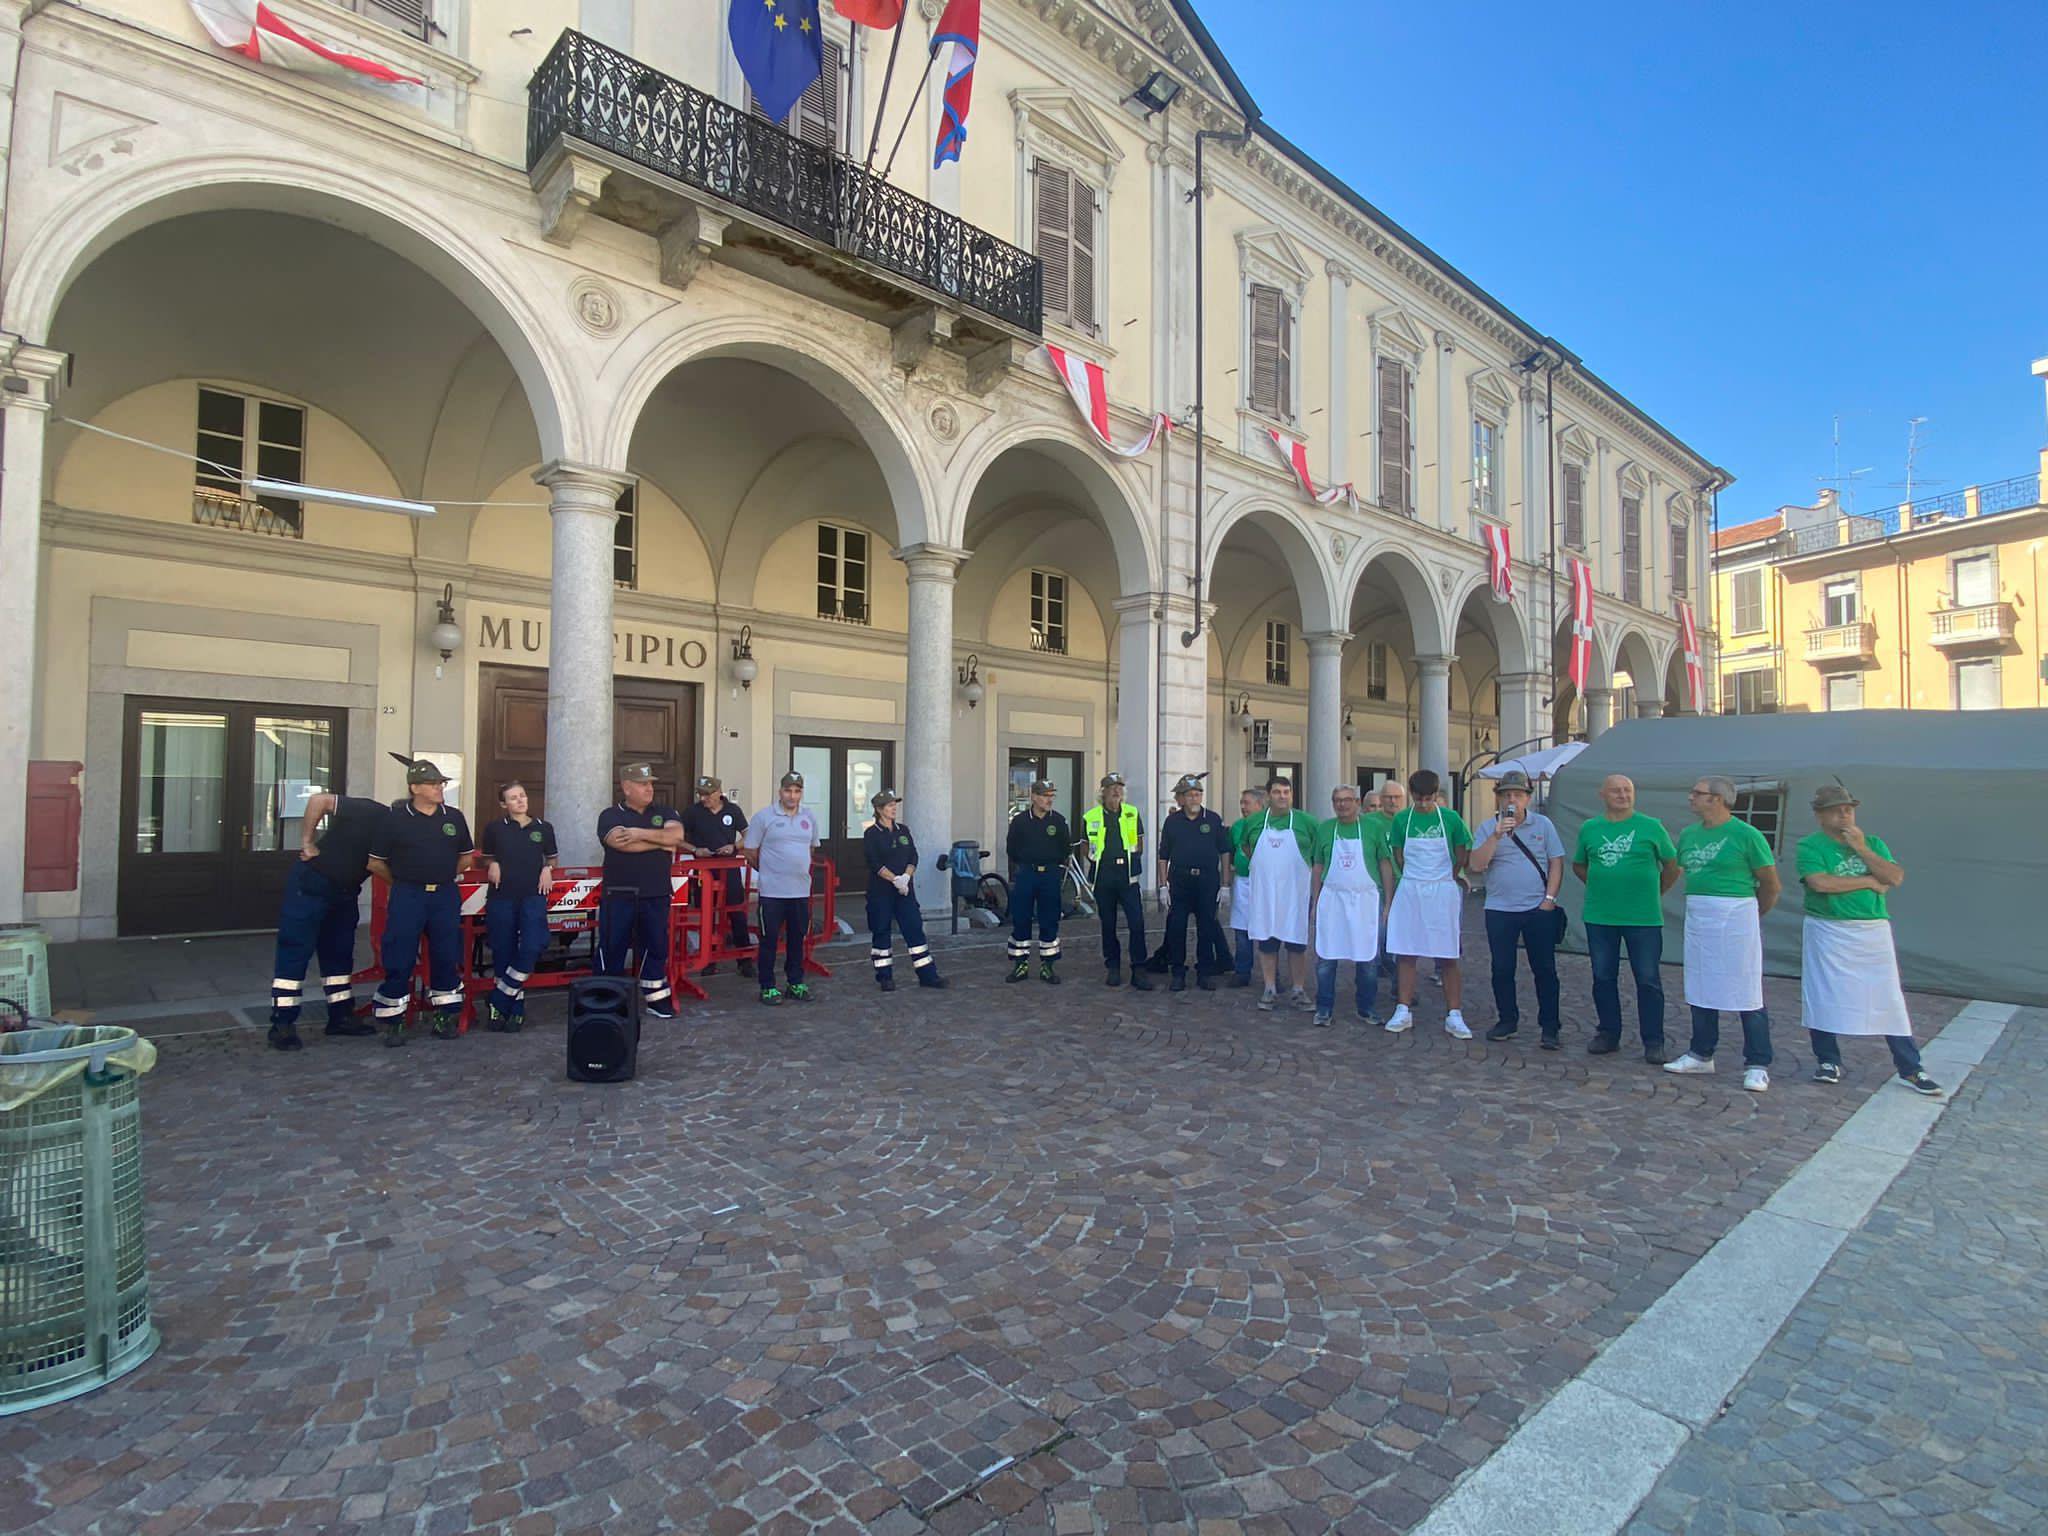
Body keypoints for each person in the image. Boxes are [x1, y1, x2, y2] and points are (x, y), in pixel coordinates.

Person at [1796, 784, 1942, 1096]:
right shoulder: (1811, 846)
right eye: (1836, 809)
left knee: (1887, 996)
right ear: (1820, 815)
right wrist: (1867, 881)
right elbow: (1820, 883)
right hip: (1829, 927)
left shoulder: (1873, 843)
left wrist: (1862, 849)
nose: (1845, 813)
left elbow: (1894, 877)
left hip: (1872, 929)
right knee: (1823, 991)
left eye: (1848, 808)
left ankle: (1910, 1067)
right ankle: (1828, 1060)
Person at [1663, 775, 1779, 1090]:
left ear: (1716, 799)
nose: (1691, 798)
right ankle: (1701, 1053)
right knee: (1701, 982)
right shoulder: (1688, 835)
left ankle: (1757, 1061)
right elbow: (1678, 870)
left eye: (1697, 793)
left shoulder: (1746, 835)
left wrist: (1753, 914)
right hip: (1701, 916)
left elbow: (1769, 882)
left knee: (1745, 986)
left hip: (1736, 914)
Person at [266, 789, 385, 1051]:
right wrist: (307, 842)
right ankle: (282, 1024)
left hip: (345, 892)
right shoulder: (370, 810)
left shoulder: (398, 835)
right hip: (313, 883)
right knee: (295, 952)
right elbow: (319, 800)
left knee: (339, 956)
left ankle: (340, 1016)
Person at [1571, 773, 1678, 1059]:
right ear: (1602, 795)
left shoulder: (1651, 827)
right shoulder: (1590, 828)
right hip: (1600, 916)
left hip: (1643, 918)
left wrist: (1654, 892)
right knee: (1603, 977)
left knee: (1648, 979)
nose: (1623, 795)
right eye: (1616, 791)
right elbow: (1579, 865)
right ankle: (1608, 1033)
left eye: (1628, 790)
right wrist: (1604, 886)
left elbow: (1672, 865)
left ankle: (1654, 1041)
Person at [367, 759, 474, 1045]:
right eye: (433, 784)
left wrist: (441, 875)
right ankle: (394, 1021)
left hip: (443, 894)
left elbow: (465, 857)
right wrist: (402, 882)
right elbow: (375, 863)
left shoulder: (454, 817)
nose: (440, 788)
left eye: (441, 783)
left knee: (445, 954)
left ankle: (445, 1016)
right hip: (408, 895)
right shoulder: (395, 819)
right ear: (415, 787)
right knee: (399, 955)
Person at [1468, 770, 1565, 1049]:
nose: (1512, 799)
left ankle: (1550, 1026)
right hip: (1500, 909)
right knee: (1501, 968)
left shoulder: (1543, 825)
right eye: (1507, 795)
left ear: (1528, 798)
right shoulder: (1488, 827)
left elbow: (1556, 862)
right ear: (1498, 798)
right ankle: (1507, 1019)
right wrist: (1496, 836)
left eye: (1518, 795)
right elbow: (1476, 865)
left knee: (1544, 968)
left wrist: (1549, 898)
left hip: (1537, 907)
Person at [1384, 768, 1472, 1037]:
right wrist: (1415, 878)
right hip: (1411, 888)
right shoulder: (1402, 820)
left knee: (1447, 955)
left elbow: (1462, 853)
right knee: (1406, 952)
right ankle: (1403, 1009)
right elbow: (1398, 856)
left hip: (1442, 889)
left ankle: (1454, 1014)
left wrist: (1449, 876)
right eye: (1419, 798)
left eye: (1428, 798)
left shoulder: (1451, 819)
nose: (1423, 803)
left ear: (1436, 795)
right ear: (1412, 795)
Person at [597, 764, 683, 1020]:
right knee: (613, 947)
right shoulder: (610, 815)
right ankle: (608, 999)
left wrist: (638, 834)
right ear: (626, 787)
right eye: (643, 784)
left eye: (650, 783)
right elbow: (619, 844)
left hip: (655, 892)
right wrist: (659, 842)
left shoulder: (664, 810)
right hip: (619, 893)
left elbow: (676, 836)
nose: (650, 788)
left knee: (655, 946)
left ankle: (655, 998)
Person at [478, 781, 558, 1033]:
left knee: (535, 943)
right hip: (502, 896)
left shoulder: (543, 828)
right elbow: (486, 856)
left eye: (522, 795)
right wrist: (491, 864)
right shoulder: (494, 828)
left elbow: (552, 857)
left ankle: (500, 998)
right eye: (513, 798)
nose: (520, 801)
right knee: (503, 950)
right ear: (504, 804)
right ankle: (512, 1010)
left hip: (533, 896)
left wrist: (548, 868)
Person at [1309, 784, 1390, 1028]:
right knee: (1326, 957)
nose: (1341, 805)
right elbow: (1318, 867)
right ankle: (1324, 1008)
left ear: (1356, 802)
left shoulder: (1373, 828)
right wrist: (1315, 901)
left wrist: (1388, 901)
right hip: (1332, 899)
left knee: (1367, 959)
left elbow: (1385, 863)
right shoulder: (1325, 829)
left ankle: (1366, 1008)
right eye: (1337, 800)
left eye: (1346, 800)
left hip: (1365, 900)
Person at [744, 770, 822, 1004]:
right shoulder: (764, 817)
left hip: (799, 891)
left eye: (797, 791)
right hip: (772, 893)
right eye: (788, 790)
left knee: (797, 940)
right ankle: (767, 986)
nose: (792, 795)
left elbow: (811, 848)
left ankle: (795, 982)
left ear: (801, 793)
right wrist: (770, 871)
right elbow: (750, 851)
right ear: (780, 792)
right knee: (768, 941)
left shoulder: (809, 817)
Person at [1243, 776, 1317, 1013]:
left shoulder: (1307, 822)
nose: (1282, 796)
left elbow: (1318, 853)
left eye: (1286, 791)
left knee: (1296, 942)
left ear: (1292, 794)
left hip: (1296, 893)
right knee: (1267, 941)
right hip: (1265, 892)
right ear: (1268, 795)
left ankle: (1298, 988)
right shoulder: (1254, 822)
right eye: (1277, 792)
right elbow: (1246, 847)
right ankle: (1269, 988)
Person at [862, 789, 946, 990]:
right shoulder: (871, 834)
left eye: (894, 805)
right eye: (890, 805)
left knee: (914, 929)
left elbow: (913, 856)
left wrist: (906, 877)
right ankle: (885, 977)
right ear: (879, 810)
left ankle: (927, 975)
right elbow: (874, 863)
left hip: (904, 891)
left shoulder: (903, 830)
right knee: (881, 931)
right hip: (881, 891)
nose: (894, 809)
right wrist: (895, 880)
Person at [1158, 773, 1231, 992]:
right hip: (1180, 881)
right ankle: (1178, 972)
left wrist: (1225, 884)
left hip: (1207, 881)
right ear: (1182, 797)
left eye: (1197, 794)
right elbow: (1163, 856)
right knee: (1177, 927)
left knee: (1207, 928)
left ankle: (1205, 972)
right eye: (1189, 794)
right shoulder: (1172, 821)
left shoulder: (1213, 819)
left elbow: (1225, 852)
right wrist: (1163, 886)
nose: (1194, 798)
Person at [1082, 773, 1152, 990]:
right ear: (1102, 792)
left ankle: (1138, 969)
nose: (1116, 791)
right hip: (1103, 878)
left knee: (1137, 923)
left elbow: (1139, 841)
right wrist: (1092, 857)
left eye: (1119, 787)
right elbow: (1085, 844)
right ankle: (1113, 967)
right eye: (1111, 787)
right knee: (1108, 924)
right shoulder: (1091, 816)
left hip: (1128, 878)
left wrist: (1132, 855)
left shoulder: (1132, 813)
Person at [681, 775, 754, 979]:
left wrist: (734, 846)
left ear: (718, 792)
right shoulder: (693, 812)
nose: (704, 798)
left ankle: (745, 960)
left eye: (707, 794)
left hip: (728, 868)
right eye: (701, 794)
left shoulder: (733, 810)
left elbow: (749, 834)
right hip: (704, 870)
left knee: (737, 913)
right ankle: (708, 960)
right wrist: (695, 849)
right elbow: (676, 837)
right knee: (707, 915)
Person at [1005, 778, 1070, 983]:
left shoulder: (1058, 821)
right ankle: (1020, 965)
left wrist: (1054, 869)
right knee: (1021, 918)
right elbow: (1012, 849)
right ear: (1033, 797)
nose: (1049, 799)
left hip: (1050, 875)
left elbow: (1065, 849)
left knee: (1049, 919)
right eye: (1044, 795)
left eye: (1051, 795)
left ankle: (1047, 966)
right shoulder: (1020, 821)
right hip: (1026, 874)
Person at [1224, 786, 1267, 987]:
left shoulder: (1270, 825)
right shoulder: (1237, 826)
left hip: (1265, 883)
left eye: (1247, 803)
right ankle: (1242, 970)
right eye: (1242, 803)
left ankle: (1271, 972)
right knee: (1242, 928)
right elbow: (1231, 852)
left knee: (1268, 929)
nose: (1243, 807)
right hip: (1243, 881)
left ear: (1259, 805)